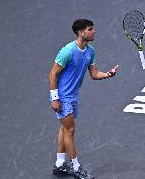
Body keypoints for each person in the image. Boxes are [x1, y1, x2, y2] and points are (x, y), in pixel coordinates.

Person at [49, 19, 119, 179]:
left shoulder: (90, 51)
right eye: (90, 29)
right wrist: (55, 99)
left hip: (73, 95)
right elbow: (53, 74)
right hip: (62, 96)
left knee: (64, 129)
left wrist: (109, 74)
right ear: (81, 32)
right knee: (70, 130)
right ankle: (77, 167)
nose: (93, 32)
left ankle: (59, 164)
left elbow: (94, 74)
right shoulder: (68, 51)